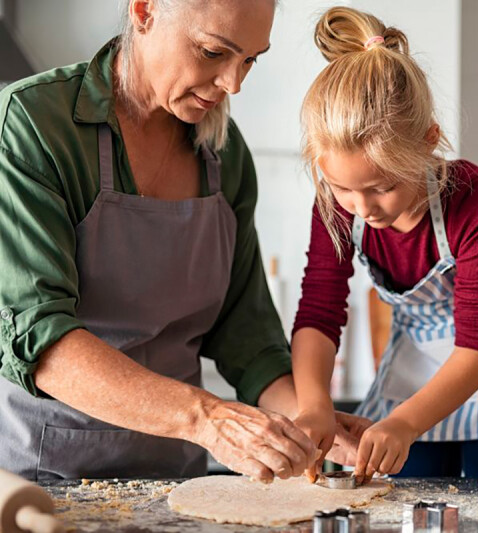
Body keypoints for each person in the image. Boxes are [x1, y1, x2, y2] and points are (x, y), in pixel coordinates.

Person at [0, 0, 362, 481]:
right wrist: (207, 419)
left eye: (250, 59)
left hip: (172, 484)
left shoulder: (224, 155)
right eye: (214, 52)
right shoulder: (34, 126)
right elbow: (39, 338)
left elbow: (248, 341)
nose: (235, 84)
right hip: (42, 482)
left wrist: (311, 424)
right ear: (145, 10)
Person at [292, 6, 478, 481]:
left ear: (429, 141)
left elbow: (475, 349)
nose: (362, 208)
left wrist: (405, 422)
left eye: (382, 187)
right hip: (416, 355)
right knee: (406, 499)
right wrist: (314, 406)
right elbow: (319, 311)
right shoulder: (336, 204)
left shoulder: (477, 201)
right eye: (343, 188)